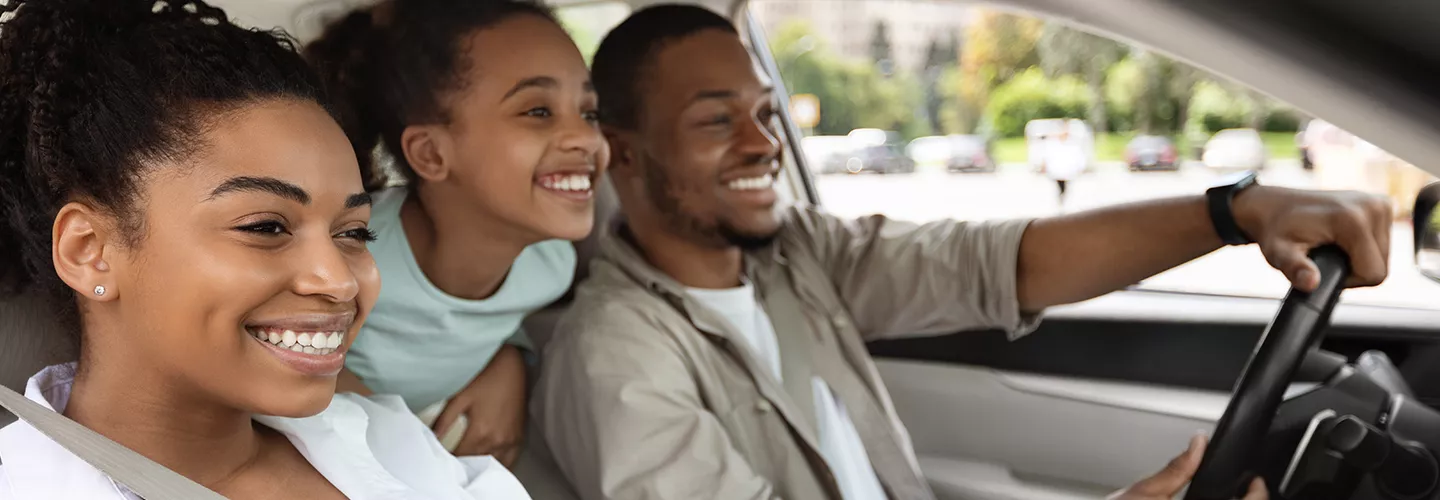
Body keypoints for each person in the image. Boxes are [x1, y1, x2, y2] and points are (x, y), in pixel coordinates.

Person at [533, 5, 1392, 500]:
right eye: (717, 121)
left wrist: (1234, 211)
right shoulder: (615, 356)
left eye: (764, 113)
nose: (764, 145)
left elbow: (999, 264)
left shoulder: (795, 257)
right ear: (626, 152)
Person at [0, 0, 530, 497]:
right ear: (89, 250)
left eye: (352, 233)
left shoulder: (385, 437)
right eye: (265, 227)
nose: (340, 280)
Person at [305, 0, 606, 464]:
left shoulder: (552, 264)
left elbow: (481, 325)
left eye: (588, 112)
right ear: (431, 154)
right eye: (538, 111)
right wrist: (405, 447)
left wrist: (510, 359)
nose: (587, 139)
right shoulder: (346, 260)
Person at [1042, 120, 1087, 210]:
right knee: (1059, 187)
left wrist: (1080, 167)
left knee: (1066, 188)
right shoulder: (1053, 143)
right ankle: (1060, 203)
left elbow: (1078, 155)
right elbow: (1047, 156)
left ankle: (1064, 203)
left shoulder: (1072, 143)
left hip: (1067, 170)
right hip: (1057, 170)